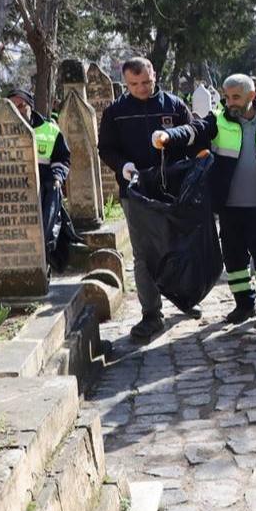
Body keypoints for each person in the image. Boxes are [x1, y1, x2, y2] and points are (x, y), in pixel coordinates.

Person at [154, 74, 256, 327]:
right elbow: (193, 129)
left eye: (236, 97)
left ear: (251, 96)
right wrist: (169, 136)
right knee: (234, 259)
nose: (229, 102)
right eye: (226, 96)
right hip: (229, 205)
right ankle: (244, 304)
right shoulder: (219, 120)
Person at [97, 56, 197, 341]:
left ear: (155, 75)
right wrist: (122, 165)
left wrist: (172, 139)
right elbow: (106, 148)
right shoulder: (116, 112)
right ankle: (151, 314)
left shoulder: (175, 106)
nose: (141, 88)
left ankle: (186, 298)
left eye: (146, 82)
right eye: (134, 84)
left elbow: (192, 137)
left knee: (178, 246)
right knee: (143, 254)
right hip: (135, 190)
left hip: (172, 188)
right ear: (126, 82)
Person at [6, 89, 70, 263]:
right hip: (11, 192)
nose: (18, 111)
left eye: (21, 106)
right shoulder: (0, 131)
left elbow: (62, 158)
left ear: (30, 106)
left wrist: (57, 177)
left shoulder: (50, 130)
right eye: (12, 107)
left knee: (43, 234)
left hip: (44, 190)